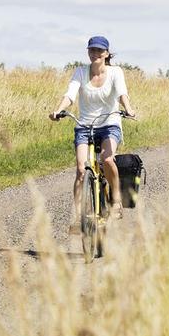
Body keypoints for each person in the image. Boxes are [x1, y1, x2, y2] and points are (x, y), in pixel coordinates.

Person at [50, 35, 136, 219]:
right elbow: (70, 95)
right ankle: (78, 216)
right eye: (92, 50)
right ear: (88, 52)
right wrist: (58, 110)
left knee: (107, 159)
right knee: (81, 169)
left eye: (99, 50)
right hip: (84, 126)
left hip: (109, 124)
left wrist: (128, 109)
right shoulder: (81, 72)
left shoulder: (116, 72)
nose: (95, 53)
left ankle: (117, 200)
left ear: (106, 53)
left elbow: (122, 94)